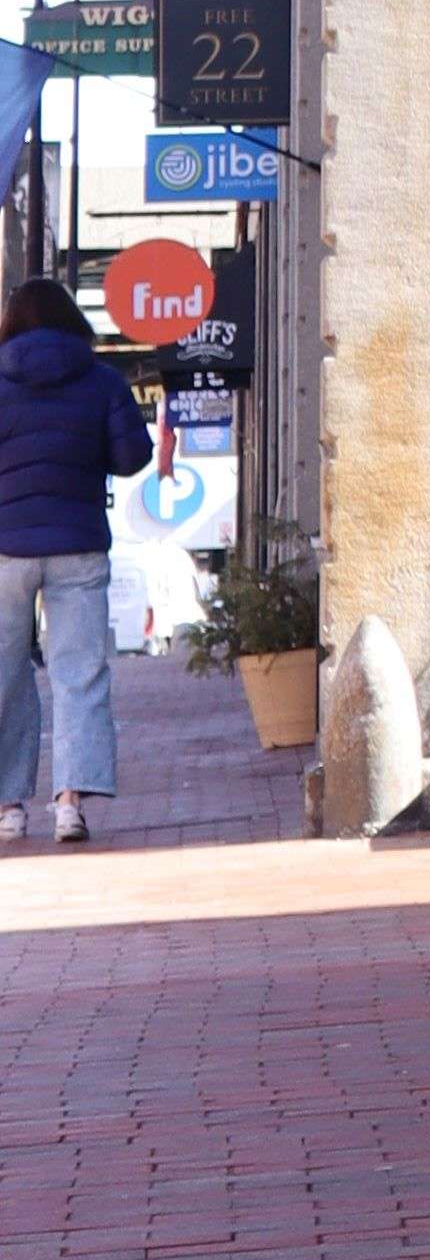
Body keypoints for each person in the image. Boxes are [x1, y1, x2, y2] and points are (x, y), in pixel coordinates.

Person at [0, 277, 146, 852]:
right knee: (79, 672)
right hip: (79, 545)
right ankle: (69, 805)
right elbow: (130, 456)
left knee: (5, 675)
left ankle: (9, 807)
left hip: (5, 548)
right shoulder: (102, 380)